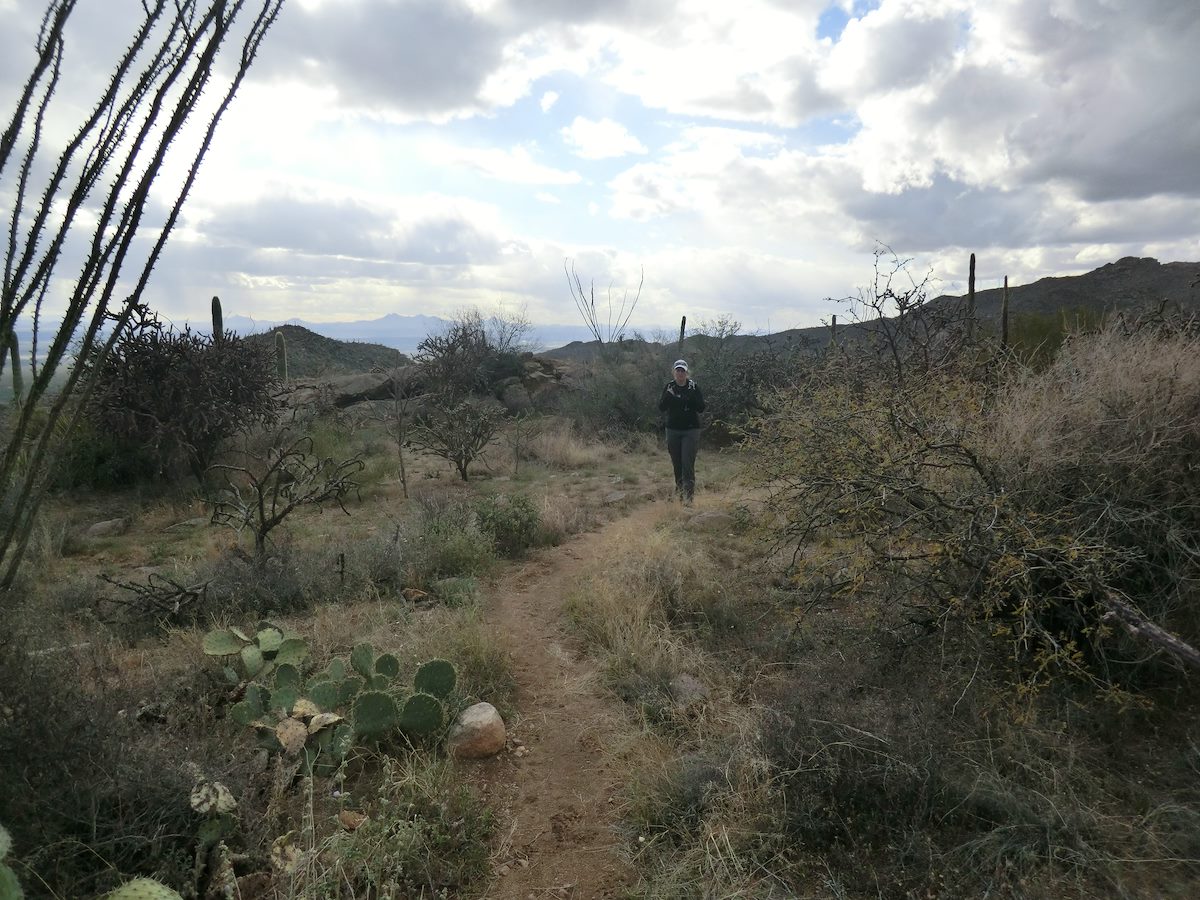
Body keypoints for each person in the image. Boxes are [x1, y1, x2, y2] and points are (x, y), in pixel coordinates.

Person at [658, 359, 705, 504]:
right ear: (674, 372)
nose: (680, 373)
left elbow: (701, 408)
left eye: (682, 370)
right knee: (677, 464)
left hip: (690, 430)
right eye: (677, 370)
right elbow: (661, 407)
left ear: (686, 372)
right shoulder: (669, 387)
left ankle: (688, 499)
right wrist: (670, 396)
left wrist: (688, 399)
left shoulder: (693, 387)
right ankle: (679, 494)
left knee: (687, 464)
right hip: (673, 430)